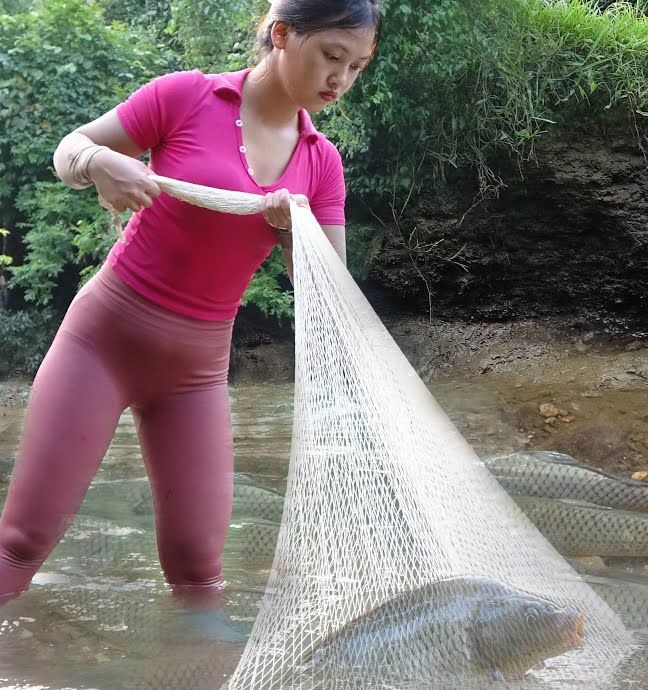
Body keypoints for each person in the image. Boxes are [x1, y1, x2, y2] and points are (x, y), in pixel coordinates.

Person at [0, 0, 380, 608]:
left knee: (199, 567)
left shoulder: (320, 162)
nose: (342, 79)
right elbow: (70, 150)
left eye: (358, 65)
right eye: (332, 56)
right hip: (102, 342)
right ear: (282, 34)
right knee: (21, 541)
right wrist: (101, 162)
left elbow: (328, 293)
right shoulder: (186, 97)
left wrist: (292, 230)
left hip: (197, 375)